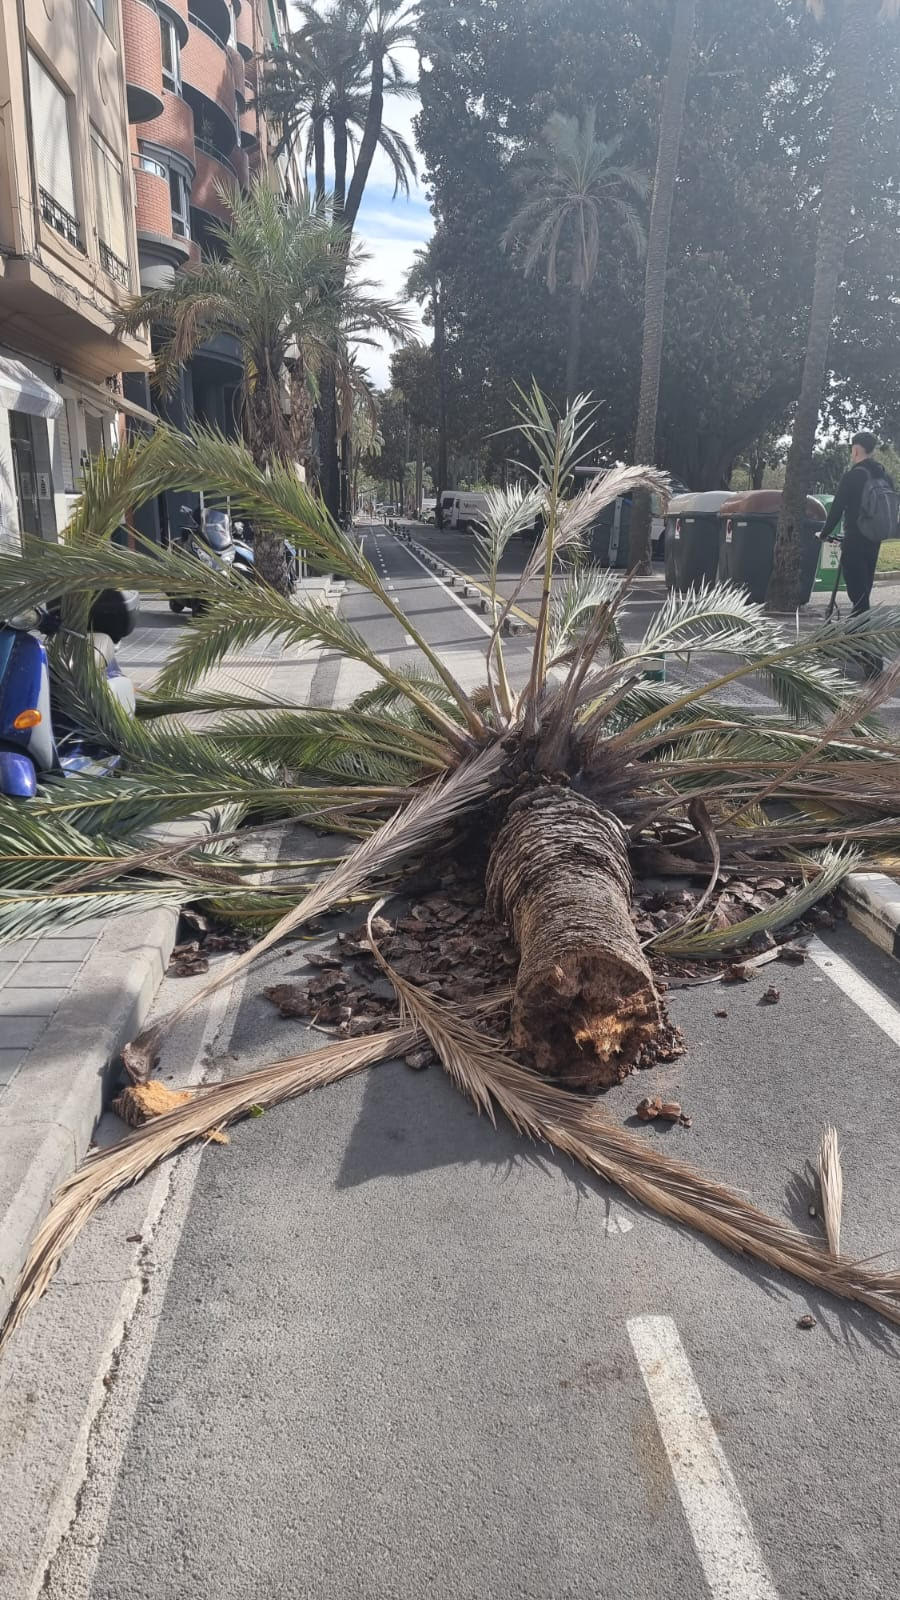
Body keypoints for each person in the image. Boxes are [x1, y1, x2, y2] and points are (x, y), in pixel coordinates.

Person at [819, 431, 895, 674]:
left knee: (858, 598)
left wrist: (823, 533)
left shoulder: (854, 476)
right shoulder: (883, 474)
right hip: (874, 542)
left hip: (854, 541)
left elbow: (837, 508)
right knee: (862, 594)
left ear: (856, 450)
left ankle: (865, 650)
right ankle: (850, 641)